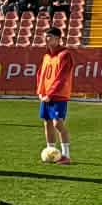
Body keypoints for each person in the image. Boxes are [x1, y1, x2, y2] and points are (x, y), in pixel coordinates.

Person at [37, 26, 74, 165]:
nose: (46, 39)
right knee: (47, 123)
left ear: (58, 39)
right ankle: (50, 152)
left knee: (57, 123)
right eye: (45, 36)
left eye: (49, 37)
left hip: (58, 96)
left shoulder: (65, 55)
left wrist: (50, 94)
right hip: (46, 95)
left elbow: (62, 77)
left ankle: (66, 155)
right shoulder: (46, 55)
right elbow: (40, 74)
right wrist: (40, 92)